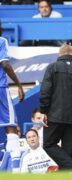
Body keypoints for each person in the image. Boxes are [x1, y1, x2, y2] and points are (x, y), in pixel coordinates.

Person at [40, 44, 72, 170]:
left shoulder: (52, 68)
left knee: (48, 144)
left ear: (59, 54)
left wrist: (43, 111)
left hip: (54, 115)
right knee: (67, 153)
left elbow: (45, 91)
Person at [0, 30, 25, 172]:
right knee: (11, 127)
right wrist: (19, 84)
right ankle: (15, 170)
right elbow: (5, 64)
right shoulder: (1, 41)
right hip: (0, 89)